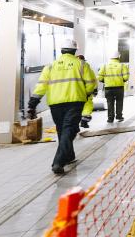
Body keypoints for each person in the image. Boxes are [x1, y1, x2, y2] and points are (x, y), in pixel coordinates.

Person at [28, 39, 97, 174]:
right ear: (74, 50)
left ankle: (69, 156)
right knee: (69, 129)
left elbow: (41, 86)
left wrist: (32, 104)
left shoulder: (50, 66)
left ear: (61, 50)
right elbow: (91, 84)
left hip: (55, 104)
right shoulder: (81, 64)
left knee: (62, 130)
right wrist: (86, 94)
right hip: (75, 101)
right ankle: (58, 162)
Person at [99, 52, 129, 123]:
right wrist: (122, 80)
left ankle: (110, 118)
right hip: (119, 87)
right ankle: (119, 116)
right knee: (119, 102)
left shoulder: (105, 66)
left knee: (110, 103)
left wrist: (105, 81)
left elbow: (99, 77)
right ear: (118, 57)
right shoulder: (122, 66)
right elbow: (126, 77)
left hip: (108, 88)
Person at [77, 54, 97, 130]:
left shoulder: (71, 68)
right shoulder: (87, 67)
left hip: (74, 92)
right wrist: (94, 90)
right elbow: (93, 79)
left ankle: (77, 123)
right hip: (86, 91)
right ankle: (84, 122)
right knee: (87, 106)